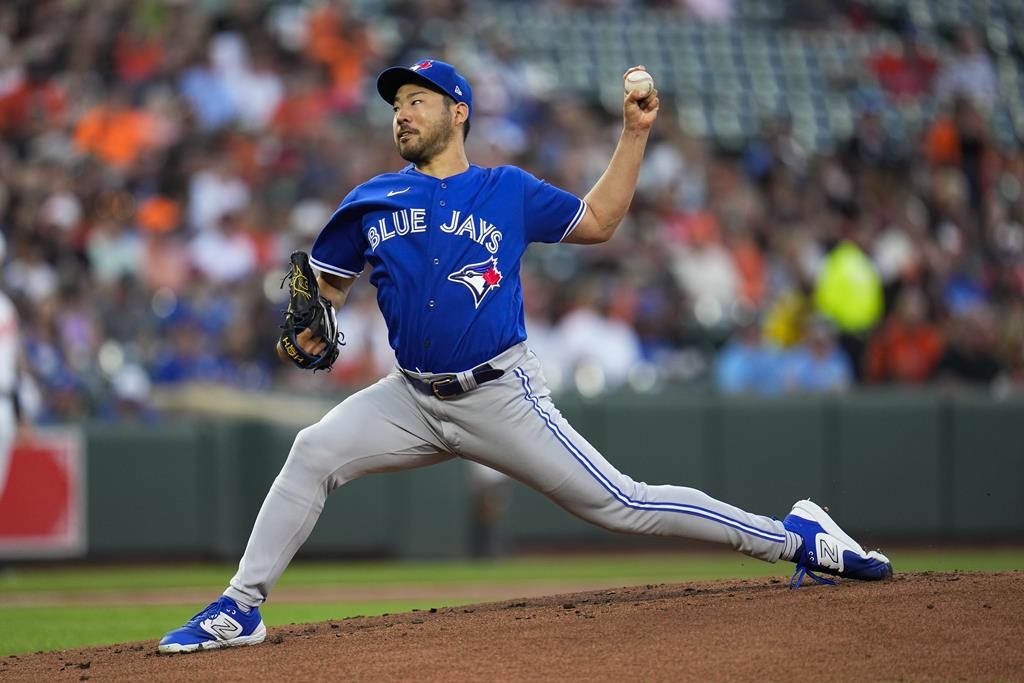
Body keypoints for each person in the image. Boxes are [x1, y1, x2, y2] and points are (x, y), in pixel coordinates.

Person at [159, 60, 892, 653]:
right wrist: (315, 315)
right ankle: (240, 607)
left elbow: (601, 221)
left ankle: (796, 536)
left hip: (499, 393)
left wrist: (633, 135)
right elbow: (323, 286)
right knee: (312, 451)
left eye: (419, 100)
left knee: (623, 504)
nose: (403, 113)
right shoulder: (370, 200)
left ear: (459, 112)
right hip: (410, 398)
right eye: (397, 104)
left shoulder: (504, 190)